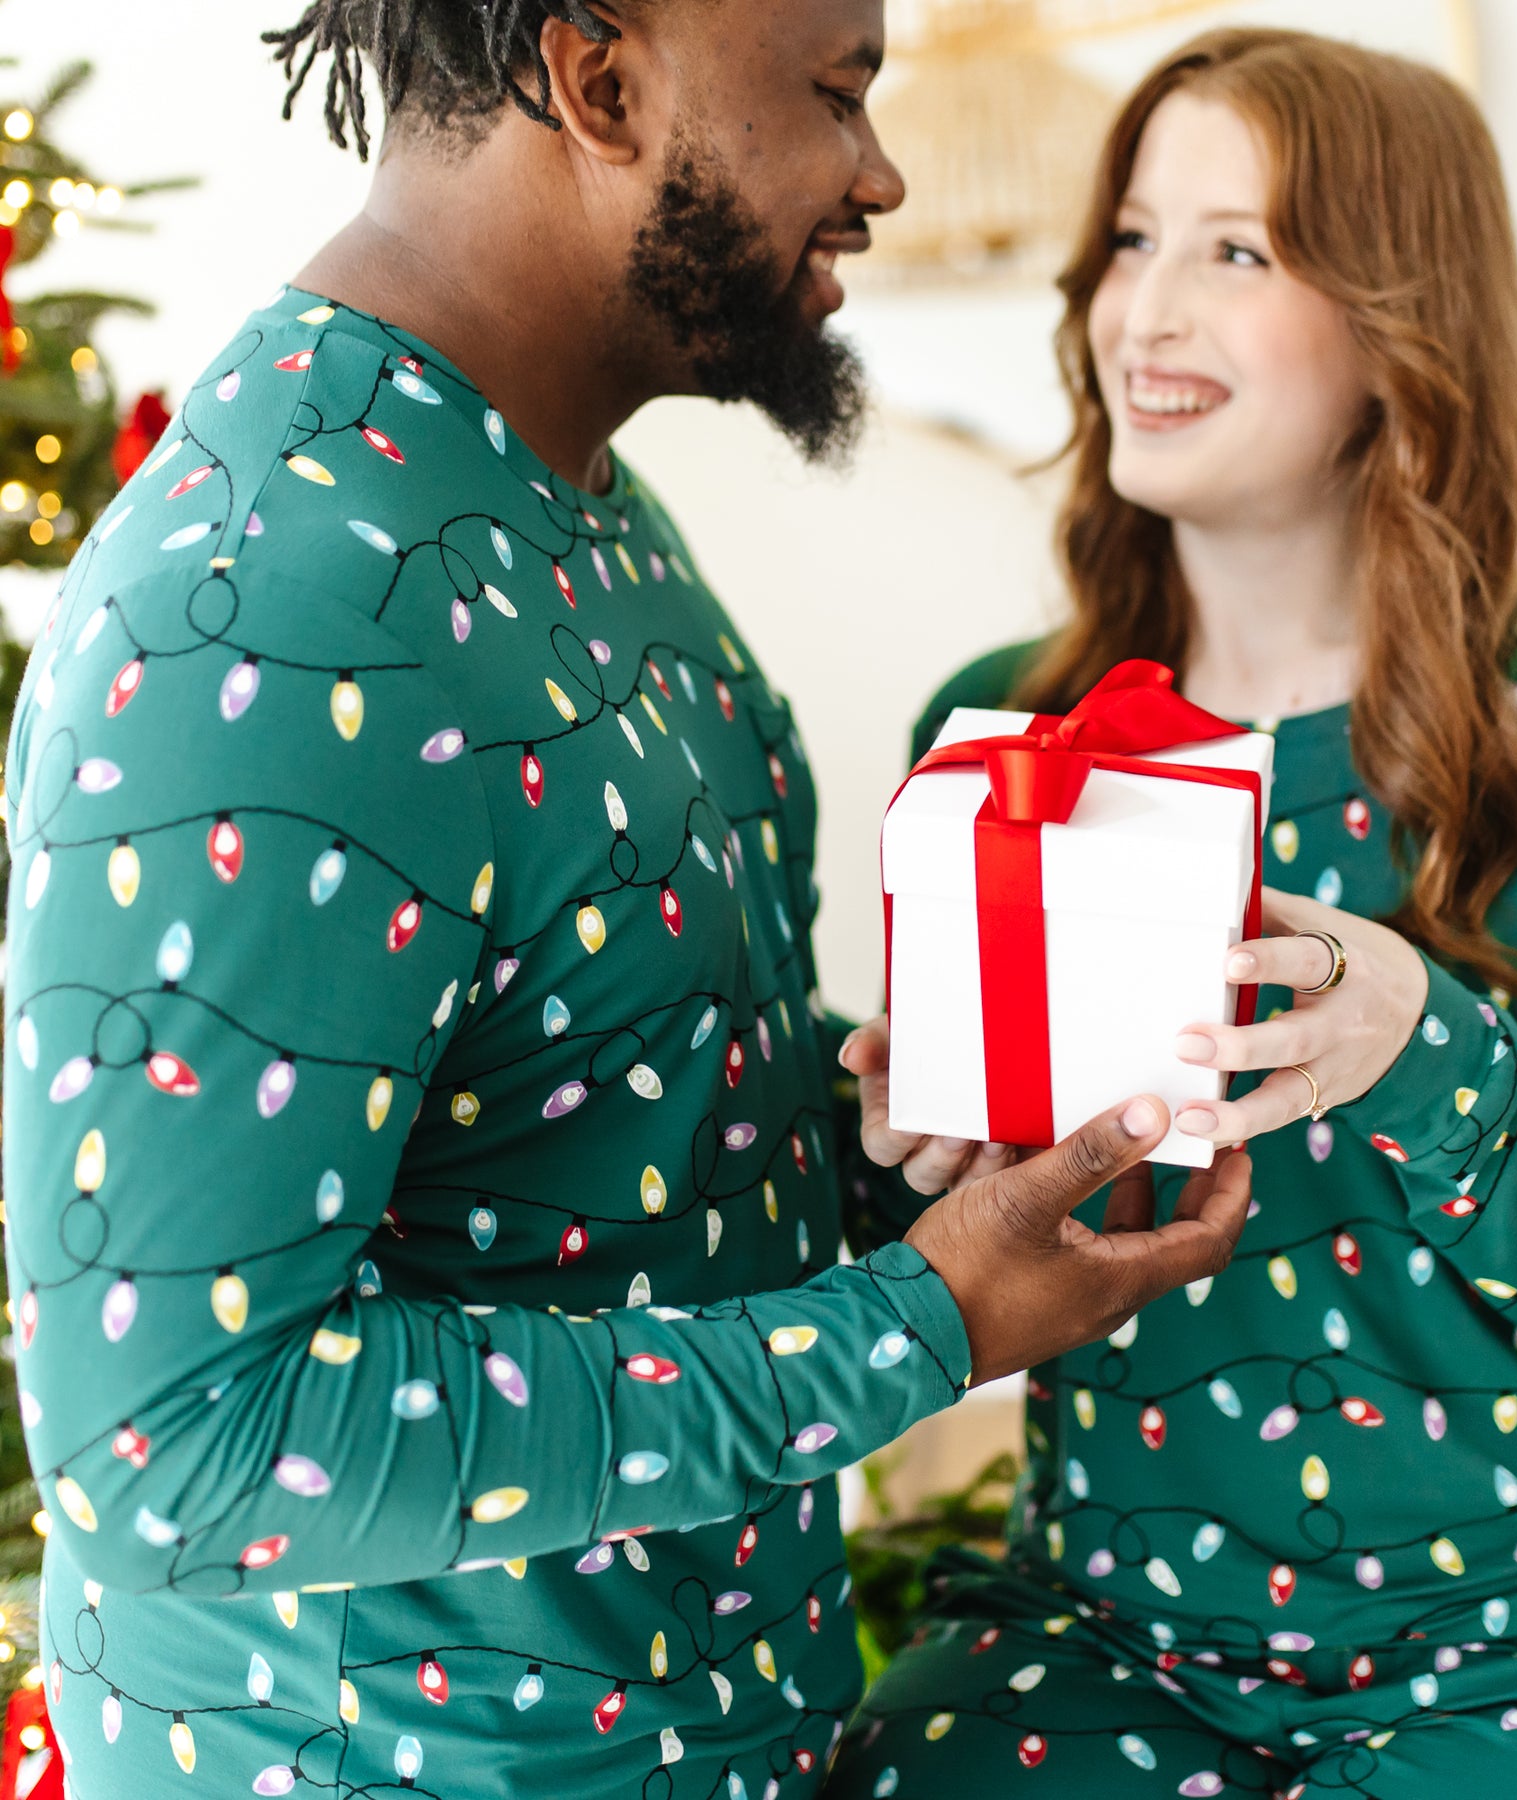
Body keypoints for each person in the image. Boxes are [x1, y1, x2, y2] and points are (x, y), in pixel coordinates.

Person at [0, 5, 1254, 1796]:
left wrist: (860, 1126)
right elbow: (171, 1455)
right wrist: (922, 1332)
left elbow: (567, 1128)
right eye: (839, 94)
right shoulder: (275, 599)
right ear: (600, 81)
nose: (879, 175)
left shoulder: (571, 506)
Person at [829, 26, 1517, 1800]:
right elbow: (960, 1265)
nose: (1147, 309)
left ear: (1394, 326)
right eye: (1130, 238)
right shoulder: (1001, 743)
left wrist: (1426, 1050)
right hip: (1114, 1640)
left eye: (1237, 249)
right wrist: (900, 1153)